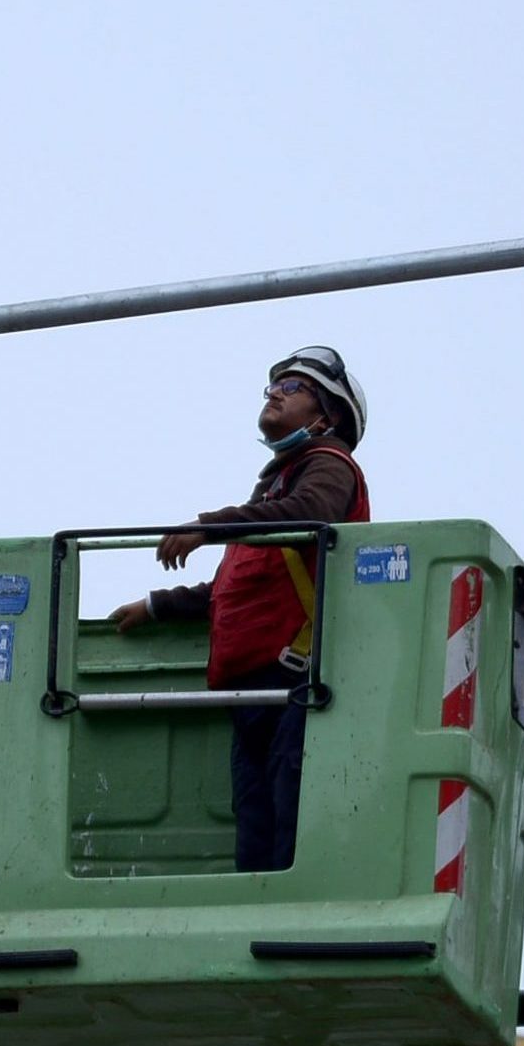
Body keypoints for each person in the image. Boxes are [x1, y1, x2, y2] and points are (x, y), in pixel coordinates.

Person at [110, 346, 370, 872]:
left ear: (329, 414)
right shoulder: (274, 490)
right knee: (255, 831)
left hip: (295, 684)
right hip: (252, 690)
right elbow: (234, 588)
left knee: (287, 826)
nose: (275, 391)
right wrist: (157, 606)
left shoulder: (329, 466)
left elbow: (312, 514)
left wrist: (210, 524)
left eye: (293, 387)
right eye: (273, 386)